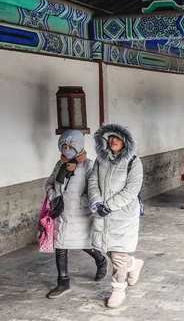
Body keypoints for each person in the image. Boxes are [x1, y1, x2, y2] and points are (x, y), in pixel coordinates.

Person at [45, 130, 106, 299]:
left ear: (79, 147)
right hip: (61, 213)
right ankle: (63, 282)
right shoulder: (59, 165)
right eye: (64, 146)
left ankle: (101, 261)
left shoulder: (89, 165)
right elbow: (49, 183)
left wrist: (81, 202)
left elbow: (95, 189)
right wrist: (54, 197)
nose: (67, 149)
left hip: (80, 214)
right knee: (60, 246)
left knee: (84, 244)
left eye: (71, 146)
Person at [88, 124, 144, 308]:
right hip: (102, 212)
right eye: (111, 138)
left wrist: (109, 206)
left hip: (123, 214)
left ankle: (118, 289)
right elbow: (93, 181)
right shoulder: (100, 160)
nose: (113, 141)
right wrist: (97, 203)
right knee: (110, 251)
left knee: (118, 254)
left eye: (118, 138)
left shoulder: (133, 162)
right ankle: (133, 264)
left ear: (125, 142)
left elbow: (131, 190)